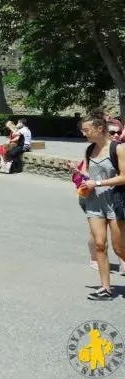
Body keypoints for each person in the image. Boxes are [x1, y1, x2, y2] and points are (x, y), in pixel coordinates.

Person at [78, 114, 125, 300]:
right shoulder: (89, 150)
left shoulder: (118, 149)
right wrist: (78, 171)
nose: (84, 134)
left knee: (119, 248)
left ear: (99, 129)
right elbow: (89, 175)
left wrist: (96, 184)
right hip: (94, 203)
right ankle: (106, 288)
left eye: (87, 130)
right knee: (99, 245)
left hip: (115, 202)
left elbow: (123, 177)